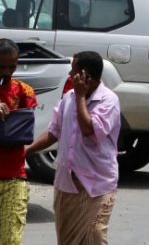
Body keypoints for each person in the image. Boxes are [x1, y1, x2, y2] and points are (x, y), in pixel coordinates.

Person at [27, 50, 121, 245]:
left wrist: (80, 97)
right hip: (67, 183)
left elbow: (88, 129)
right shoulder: (68, 97)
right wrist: (27, 150)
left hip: (97, 184)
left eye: (74, 72)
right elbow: (53, 132)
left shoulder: (108, 100)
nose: (70, 75)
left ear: (85, 76)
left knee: (95, 235)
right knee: (67, 240)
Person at [0, 39, 36, 245]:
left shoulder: (24, 91)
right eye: (1, 67)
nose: (6, 72)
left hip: (14, 177)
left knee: (11, 240)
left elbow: (23, 130)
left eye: (11, 67)